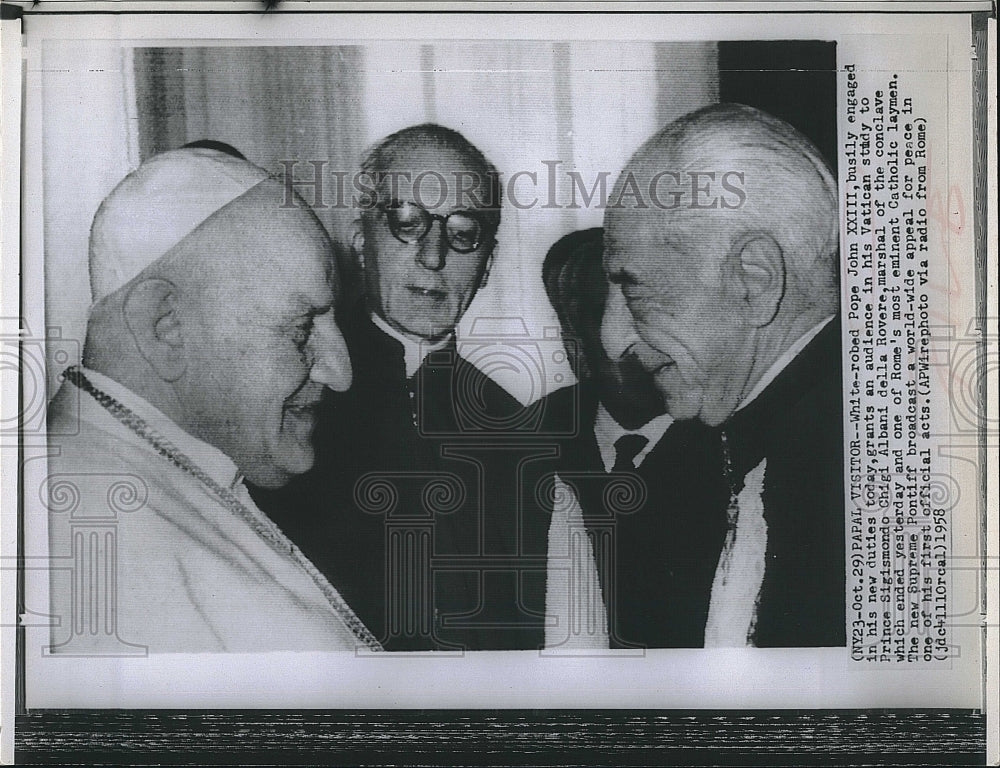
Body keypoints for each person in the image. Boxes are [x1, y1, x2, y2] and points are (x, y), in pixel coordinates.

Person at [46, 146, 377, 654]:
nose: (341, 373)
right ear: (166, 327)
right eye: (301, 327)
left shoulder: (155, 474)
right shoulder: (94, 541)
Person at [252, 124, 547, 651]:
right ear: (361, 239)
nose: (433, 256)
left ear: (487, 266)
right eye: (407, 222)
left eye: (463, 233)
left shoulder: (515, 431)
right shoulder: (285, 405)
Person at [602, 103, 845, 647]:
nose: (613, 339)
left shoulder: (874, 479)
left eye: (633, 287)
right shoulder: (684, 467)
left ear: (754, 279)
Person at [539, 228, 729, 649]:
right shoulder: (530, 436)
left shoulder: (730, 437)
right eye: (607, 317)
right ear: (575, 340)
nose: (642, 340)